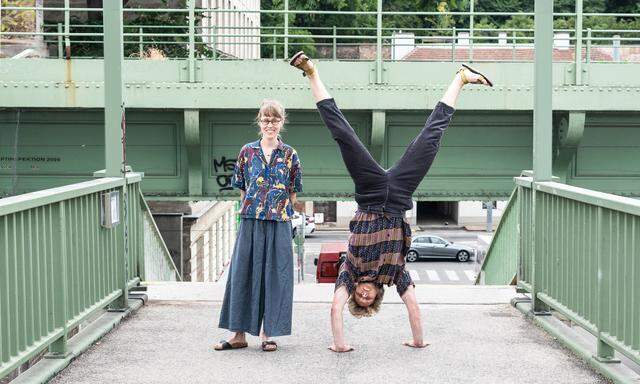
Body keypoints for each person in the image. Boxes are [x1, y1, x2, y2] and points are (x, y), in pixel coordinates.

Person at [289, 51, 492, 353]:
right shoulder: (394, 274)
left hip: (370, 194)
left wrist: (340, 345)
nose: (365, 294)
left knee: (343, 133)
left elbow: (334, 309)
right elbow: (413, 306)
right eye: (369, 299)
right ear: (378, 296)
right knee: (430, 139)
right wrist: (419, 341)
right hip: (398, 196)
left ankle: (310, 72)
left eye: (360, 297)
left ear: (354, 291)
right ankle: (460, 78)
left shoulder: (349, 272)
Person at [215, 99, 303, 352]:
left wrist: (276, 206)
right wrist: (257, 207)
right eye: (266, 119)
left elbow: (293, 193)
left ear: (282, 123)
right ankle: (238, 335)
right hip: (251, 220)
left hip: (278, 221)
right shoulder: (247, 152)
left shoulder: (290, 155)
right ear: (259, 121)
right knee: (243, 273)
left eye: (275, 120)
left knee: (277, 276)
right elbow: (242, 189)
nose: (270, 124)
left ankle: (268, 334)